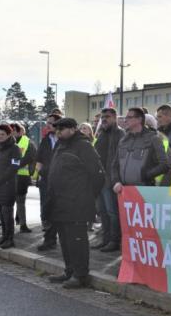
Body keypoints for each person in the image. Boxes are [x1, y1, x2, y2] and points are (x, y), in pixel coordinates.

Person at [45, 118, 105, 289]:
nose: (58, 133)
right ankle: (69, 270)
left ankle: (80, 275)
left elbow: (98, 175)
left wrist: (86, 195)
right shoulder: (61, 145)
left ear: (72, 129)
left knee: (77, 241)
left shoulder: (84, 146)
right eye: (56, 130)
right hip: (60, 203)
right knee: (65, 240)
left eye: (61, 129)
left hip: (77, 203)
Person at [110, 108, 171, 252]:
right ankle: (129, 261)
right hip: (124, 192)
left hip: (144, 191)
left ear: (139, 120)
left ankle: (146, 262)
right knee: (128, 231)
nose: (125, 120)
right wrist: (116, 181)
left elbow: (165, 164)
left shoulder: (153, 138)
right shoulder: (123, 139)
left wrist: (145, 175)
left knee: (144, 231)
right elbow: (114, 165)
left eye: (129, 117)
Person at [92, 108, 125, 252]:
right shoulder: (101, 134)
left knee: (112, 212)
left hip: (111, 180)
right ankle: (105, 239)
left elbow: (119, 159)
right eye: (102, 117)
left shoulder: (120, 134)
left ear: (115, 117)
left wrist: (115, 178)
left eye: (107, 117)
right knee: (102, 212)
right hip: (99, 179)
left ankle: (114, 240)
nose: (104, 119)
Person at [0, 124, 21, 249]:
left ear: (9, 135)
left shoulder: (15, 148)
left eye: (3, 134)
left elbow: (14, 167)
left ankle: (10, 239)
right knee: (1, 213)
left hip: (7, 186)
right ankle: (4, 237)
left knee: (7, 213)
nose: (0, 136)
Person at [35, 114, 61, 251]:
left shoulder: (64, 140)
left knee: (58, 210)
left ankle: (58, 238)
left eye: (51, 123)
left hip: (61, 182)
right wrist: (40, 173)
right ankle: (49, 239)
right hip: (45, 181)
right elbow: (38, 160)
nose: (48, 125)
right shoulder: (45, 140)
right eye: (47, 123)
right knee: (46, 211)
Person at [11, 122, 35, 233]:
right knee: (8, 202)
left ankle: (22, 224)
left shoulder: (28, 143)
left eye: (13, 131)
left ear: (20, 131)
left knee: (20, 202)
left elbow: (29, 157)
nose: (11, 133)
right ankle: (11, 223)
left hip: (21, 177)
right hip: (9, 176)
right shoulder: (7, 142)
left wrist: (12, 164)